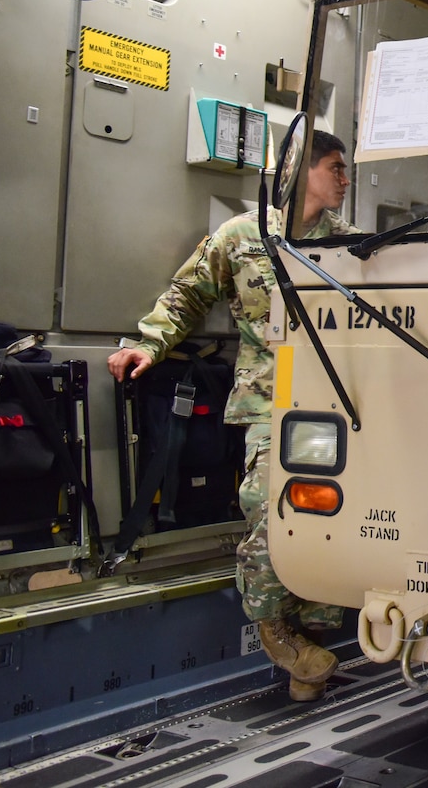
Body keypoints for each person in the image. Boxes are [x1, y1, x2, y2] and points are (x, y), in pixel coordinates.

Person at [108, 130, 356, 702]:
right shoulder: (242, 237)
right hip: (271, 401)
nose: (345, 180)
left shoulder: (352, 244)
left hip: (334, 404)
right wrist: (149, 344)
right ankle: (275, 629)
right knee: (272, 508)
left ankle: (309, 652)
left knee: (331, 518)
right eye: (336, 168)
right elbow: (188, 293)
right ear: (297, 169)